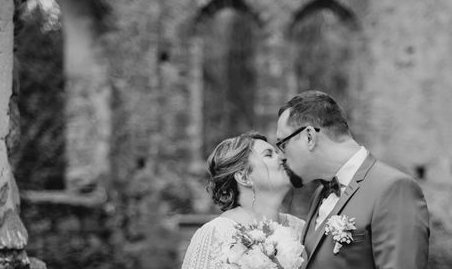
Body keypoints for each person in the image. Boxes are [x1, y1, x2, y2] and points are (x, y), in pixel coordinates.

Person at [276, 91, 430, 269]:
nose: (280, 156)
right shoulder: (320, 193)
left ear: (309, 137)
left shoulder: (394, 188)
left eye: (282, 144)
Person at [181, 132, 305, 269]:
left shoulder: (301, 228)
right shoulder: (213, 234)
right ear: (244, 177)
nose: (282, 157)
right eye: (269, 154)